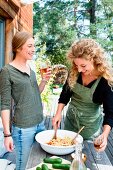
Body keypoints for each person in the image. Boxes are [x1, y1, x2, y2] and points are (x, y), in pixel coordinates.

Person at [0, 31, 51, 170]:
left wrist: (44, 81)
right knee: (23, 166)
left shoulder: (31, 69)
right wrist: (7, 134)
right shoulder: (7, 71)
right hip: (23, 128)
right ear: (18, 48)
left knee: (38, 161)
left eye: (34, 46)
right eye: (30, 46)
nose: (33, 49)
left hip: (40, 123)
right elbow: (4, 104)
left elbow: (35, 93)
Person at [52, 38, 113, 151]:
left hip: (89, 128)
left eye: (83, 66)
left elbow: (110, 112)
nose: (79, 69)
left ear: (94, 60)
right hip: (70, 121)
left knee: (87, 157)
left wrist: (104, 135)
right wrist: (58, 113)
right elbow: (65, 95)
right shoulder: (75, 71)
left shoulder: (105, 80)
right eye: (77, 65)